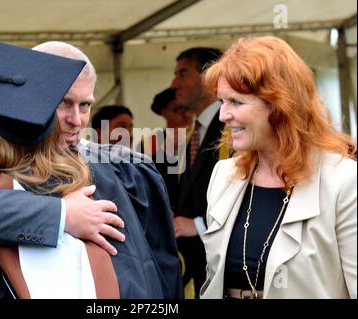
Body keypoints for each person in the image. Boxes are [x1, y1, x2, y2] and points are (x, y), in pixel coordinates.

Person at [0, 41, 183, 299]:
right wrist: (64, 215)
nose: (77, 119)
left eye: (85, 105)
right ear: (32, 99)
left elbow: (161, 267)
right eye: (64, 103)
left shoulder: (127, 170)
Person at [200, 36, 357, 299]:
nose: (223, 115)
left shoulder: (344, 182)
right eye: (221, 102)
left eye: (236, 102)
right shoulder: (223, 176)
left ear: (279, 104)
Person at [170, 47, 225, 297]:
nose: (174, 84)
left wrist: (199, 223)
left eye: (183, 75)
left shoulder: (231, 130)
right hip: (196, 266)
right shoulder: (194, 133)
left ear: (208, 77)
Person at [139, 88, 193, 208]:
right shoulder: (149, 143)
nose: (187, 114)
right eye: (179, 109)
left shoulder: (198, 138)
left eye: (188, 108)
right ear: (164, 112)